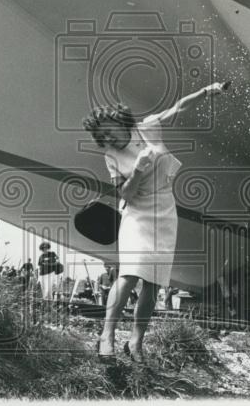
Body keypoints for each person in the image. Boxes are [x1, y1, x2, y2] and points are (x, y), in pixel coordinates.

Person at [84, 82, 228, 361]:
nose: (108, 139)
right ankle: (107, 335)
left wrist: (207, 92)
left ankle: (136, 343)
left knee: (154, 283)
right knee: (129, 275)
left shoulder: (147, 127)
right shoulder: (110, 157)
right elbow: (125, 193)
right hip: (136, 214)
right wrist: (138, 169)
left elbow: (178, 108)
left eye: (108, 131)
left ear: (117, 119)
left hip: (164, 211)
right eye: (101, 137)